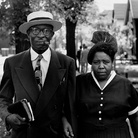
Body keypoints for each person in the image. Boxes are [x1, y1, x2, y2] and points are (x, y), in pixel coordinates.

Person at [0, 11, 76, 138]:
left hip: (54, 132)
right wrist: (8, 117)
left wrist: (65, 119)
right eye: (35, 30)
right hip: (24, 132)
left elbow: (70, 103)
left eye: (46, 31)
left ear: (52, 34)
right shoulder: (12, 63)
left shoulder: (67, 63)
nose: (41, 35)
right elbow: (3, 98)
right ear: (28, 33)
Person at [75, 31, 138, 138]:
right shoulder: (80, 82)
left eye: (106, 62)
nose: (101, 66)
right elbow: (68, 110)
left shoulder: (125, 85)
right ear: (91, 63)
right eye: (96, 62)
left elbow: (135, 118)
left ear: (112, 62)